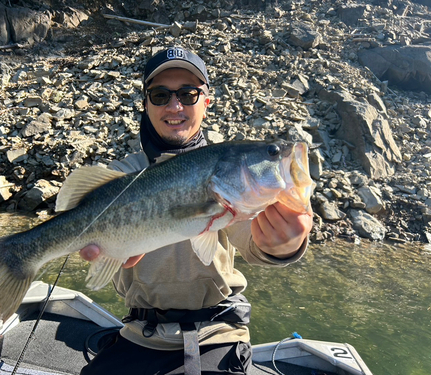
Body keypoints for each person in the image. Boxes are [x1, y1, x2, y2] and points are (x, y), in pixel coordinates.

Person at [79, 47, 313, 375]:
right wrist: (95, 248)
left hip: (217, 335)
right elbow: (83, 229)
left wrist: (284, 244)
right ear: (145, 104)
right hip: (140, 335)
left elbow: (253, 240)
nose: (175, 106)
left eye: (188, 94)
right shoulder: (122, 175)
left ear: (206, 100)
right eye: (160, 95)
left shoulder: (230, 168)